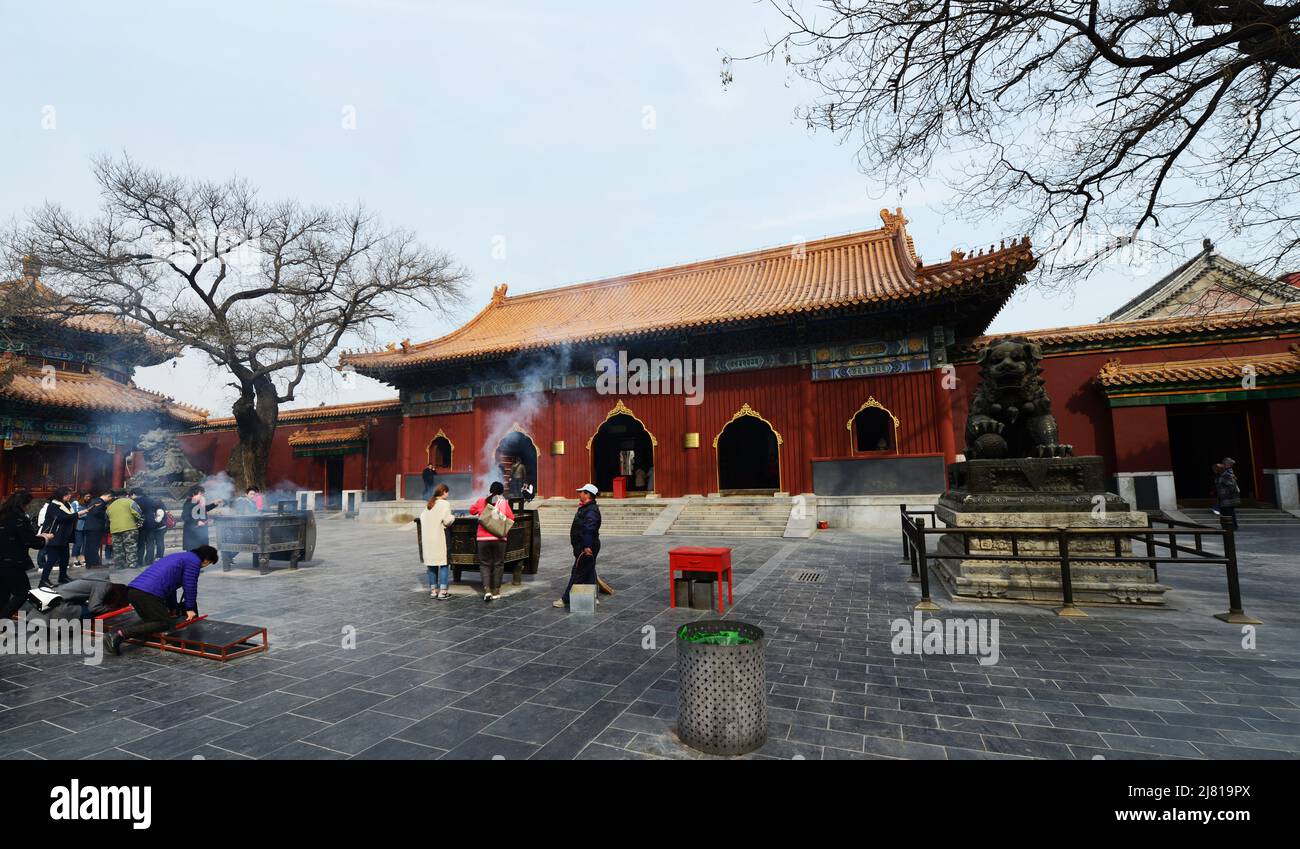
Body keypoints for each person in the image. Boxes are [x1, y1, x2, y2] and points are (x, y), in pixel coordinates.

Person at [107, 545, 219, 655]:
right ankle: (118, 634)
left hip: (134, 591)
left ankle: (122, 634)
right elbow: (190, 585)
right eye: (208, 563)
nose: (205, 566)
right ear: (206, 560)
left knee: (153, 621)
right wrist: (189, 608)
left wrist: (173, 607)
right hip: (147, 594)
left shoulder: (181, 556)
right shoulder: (194, 561)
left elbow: (170, 587)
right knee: (163, 623)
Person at [1, 492, 55, 619]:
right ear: (22, 504)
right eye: (28, 505)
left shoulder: (2, 516)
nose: (29, 507)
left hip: (2, 560)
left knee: (3, 593)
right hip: (13, 561)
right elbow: (31, 541)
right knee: (22, 592)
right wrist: (45, 538)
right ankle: (2, 619)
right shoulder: (19, 519)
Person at [555, 483, 602, 609]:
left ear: (587, 494)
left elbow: (589, 530)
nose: (579, 494)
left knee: (577, 573)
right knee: (590, 570)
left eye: (582, 492)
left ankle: (566, 599)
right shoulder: (586, 508)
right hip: (585, 545)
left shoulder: (590, 511)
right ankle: (594, 597)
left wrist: (586, 546)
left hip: (586, 546)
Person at [469, 481, 514, 603]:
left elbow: (471, 511)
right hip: (499, 539)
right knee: (498, 564)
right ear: (501, 491)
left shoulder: (481, 501)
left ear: (490, 490)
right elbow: (511, 518)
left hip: (483, 539)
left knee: (485, 564)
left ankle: (487, 590)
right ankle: (496, 591)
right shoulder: (504, 503)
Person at [419, 483, 456, 599]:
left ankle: (433, 590)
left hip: (428, 539)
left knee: (431, 565)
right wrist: (453, 517)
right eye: (447, 492)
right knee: (443, 563)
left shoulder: (429, 504)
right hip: (440, 538)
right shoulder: (445, 504)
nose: (448, 494)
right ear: (443, 492)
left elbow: (421, 518)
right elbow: (446, 521)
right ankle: (443, 591)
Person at [38, 487, 77, 588]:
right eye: (67, 494)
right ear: (61, 495)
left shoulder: (67, 504)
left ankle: (62, 577)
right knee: (52, 559)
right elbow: (59, 518)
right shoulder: (53, 505)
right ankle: (44, 580)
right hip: (54, 536)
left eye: (69, 494)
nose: (69, 496)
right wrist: (77, 514)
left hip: (64, 536)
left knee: (65, 558)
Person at [106, 489, 143, 572]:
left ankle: (119, 565)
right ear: (126, 495)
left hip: (115, 529)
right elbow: (138, 513)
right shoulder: (130, 502)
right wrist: (139, 522)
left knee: (117, 548)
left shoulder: (110, 505)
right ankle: (132, 564)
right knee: (130, 547)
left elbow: (107, 518)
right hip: (129, 528)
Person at [79, 491, 112, 568]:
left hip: (90, 526)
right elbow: (96, 512)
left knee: (89, 546)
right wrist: (105, 513)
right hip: (95, 527)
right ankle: (92, 564)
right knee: (93, 546)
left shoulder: (95, 500)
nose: (110, 499)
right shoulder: (100, 502)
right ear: (107, 496)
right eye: (110, 498)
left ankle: (90, 563)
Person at [132, 489, 164, 567]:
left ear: (134, 494)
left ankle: (139, 561)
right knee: (150, 543)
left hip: (141, 524)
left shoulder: (135, 502)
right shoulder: (151, 500)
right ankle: (149, 560)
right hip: (151, 523)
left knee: (141, 543)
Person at [1212, 458, 1242, 530]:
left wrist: (1227, 493)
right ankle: (1226, 527)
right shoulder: (1219, 476)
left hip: (1228, 498)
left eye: (1215, 469)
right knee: (1224, 513)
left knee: (1229, 513)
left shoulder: (1226, 475)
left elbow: (1232, 486)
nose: (1214, 471)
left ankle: (1232, 527)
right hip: (1223, 498)